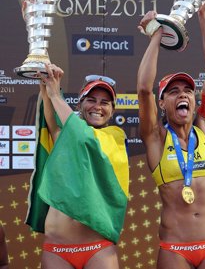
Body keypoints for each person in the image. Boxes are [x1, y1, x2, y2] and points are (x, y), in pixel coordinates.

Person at [137, 0, 205, 269]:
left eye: (188, 91)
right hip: (174, 248)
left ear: (194, 100)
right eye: (174, 92)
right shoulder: (156, 138)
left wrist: (202, 15)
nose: (183, 96)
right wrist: (157, 35)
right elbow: (143, 89)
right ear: (162, 103)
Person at [26, 64, 129, 269]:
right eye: (91, 100)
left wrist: (56, 96)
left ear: (112, 110)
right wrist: (47, 84)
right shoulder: (65, 134)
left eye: (105, 102)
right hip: (58, 249)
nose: (98, 106)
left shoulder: (115, 137)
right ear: (80, 104)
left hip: (97, 248)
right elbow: (53, 124)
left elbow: (84, 137)